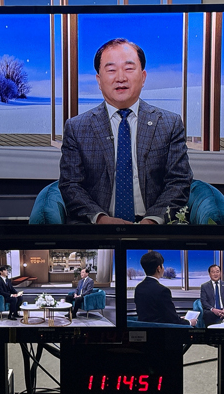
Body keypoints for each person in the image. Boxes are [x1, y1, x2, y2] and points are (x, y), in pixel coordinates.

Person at [59, 39, 193, 224]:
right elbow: (71, 185)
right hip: (96, 228)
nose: (120, 77)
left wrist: (152, 221)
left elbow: (179, 182)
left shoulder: (169, 124)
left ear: (143, 77)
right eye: (111, 70)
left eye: (129, 68)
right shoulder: (77, 128)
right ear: (99, 80)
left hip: (155, 228)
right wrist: (101, 219)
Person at [134, 252, 196, 326]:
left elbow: (152, 315)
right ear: (158, 268)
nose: (163, 268)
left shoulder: (139, 288)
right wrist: (189, 322)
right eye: (162, 265)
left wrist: (179, 319)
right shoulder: (162, 291)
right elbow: (172, 320)